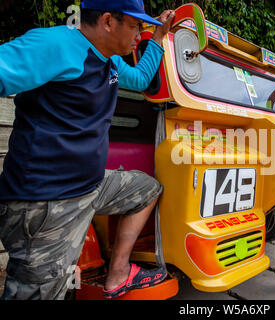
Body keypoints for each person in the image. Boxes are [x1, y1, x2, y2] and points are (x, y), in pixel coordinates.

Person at [0, 0, 175, 300]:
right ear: (108, 21)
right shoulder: (56, 44)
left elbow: (140, 79)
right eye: (135, 26)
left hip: (91, 187)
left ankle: (118, 273)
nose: (139, 35)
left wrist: (158, 38)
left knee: (147, 189)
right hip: (48, 204)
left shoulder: (109, 60)